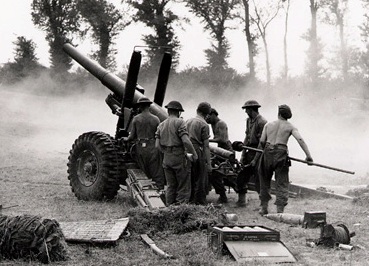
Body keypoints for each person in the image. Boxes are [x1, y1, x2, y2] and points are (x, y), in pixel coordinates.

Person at [258, 104, 313, 215]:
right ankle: (280, 212)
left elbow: (262, 141)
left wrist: (268, 151)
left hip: (267, 151)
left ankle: (263, 208)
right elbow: (300, 140)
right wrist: (308, 156)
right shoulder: (290, 126)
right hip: (281, 153)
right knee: (281, 182)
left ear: (278, 113)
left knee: (264, 180)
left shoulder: (268, 125)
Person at [155, 100, 198, 206]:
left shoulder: (161, 125)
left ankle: (170, 207)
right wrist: (194, 154)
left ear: (168, 111)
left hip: (167, 158)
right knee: (183, 185)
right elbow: (186, 141)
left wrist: (166, 152)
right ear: (178, 112)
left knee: (170, 185)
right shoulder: (180, 122)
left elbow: (157, 145)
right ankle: (180, 209)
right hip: (179, 157)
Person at [127, 97, 165, 190]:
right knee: (156, 171)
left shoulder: (136, 119)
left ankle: (144, 190)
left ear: (140, 106)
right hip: (153, 147)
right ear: (149, 106)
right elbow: (159, 135)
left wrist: (127, 139)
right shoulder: (156, 119)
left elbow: (132, 136)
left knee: (143, 171)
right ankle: (159, 190)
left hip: (141, 147)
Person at [236, 100, 267, 207]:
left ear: (252, 109)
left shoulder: (262, 122)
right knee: (241, 175)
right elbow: (247, 137)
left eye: (247, 110)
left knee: (259, 178)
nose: (245, 112)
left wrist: (255, 160)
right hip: (249, 150)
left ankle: (263, 204)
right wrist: (243, 154)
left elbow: (261, 143)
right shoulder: (249, 120)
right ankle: (242, 201)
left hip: (259, 152)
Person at [186, 102, 212, 205]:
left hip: (187, 150)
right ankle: (200, 201)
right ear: (207, 114)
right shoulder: (204, 124)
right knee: (201, 177)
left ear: (197, 110)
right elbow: (206, 146)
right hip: (197, 150)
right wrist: (209, 164)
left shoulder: (188, 121)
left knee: (189, 176)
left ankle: (190, 200)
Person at [206, 108, 233, 203]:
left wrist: (206, 140)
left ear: (213, 114)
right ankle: (222, 194)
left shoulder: (220, 123)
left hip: (226, 151)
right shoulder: (213, 124)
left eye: (208, 116)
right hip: (219, 150)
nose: (206, 119)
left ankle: (223, 195)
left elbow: (222, 139)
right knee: (213, 172)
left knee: (218, 173)